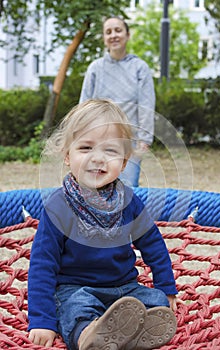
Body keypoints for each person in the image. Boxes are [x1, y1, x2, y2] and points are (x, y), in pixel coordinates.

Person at [28, 99, 178, 350]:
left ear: (124, 162)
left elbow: (153, 244)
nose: (97, 159)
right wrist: (42, 321)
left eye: (110, 151)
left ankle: (139, 330)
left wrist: (166, 287)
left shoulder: (127, 200)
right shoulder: (59, 206)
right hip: (77, 289)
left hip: (125, 289)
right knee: (74, 310)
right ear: (67, 156)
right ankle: (89, 335)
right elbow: (42, 265)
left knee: (155, 300)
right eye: (86, 148)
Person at [79, 17, 155, 187]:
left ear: (127, 35)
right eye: (108, 32)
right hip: (97, 141)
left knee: (127, 189)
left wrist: (145, 140)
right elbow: (84, 106)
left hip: (129, 142)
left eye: (118, 30)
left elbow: (146, 106)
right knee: (96, 189)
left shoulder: (140, 68)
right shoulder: (95, 68)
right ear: (104, 38)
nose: (113, 35)